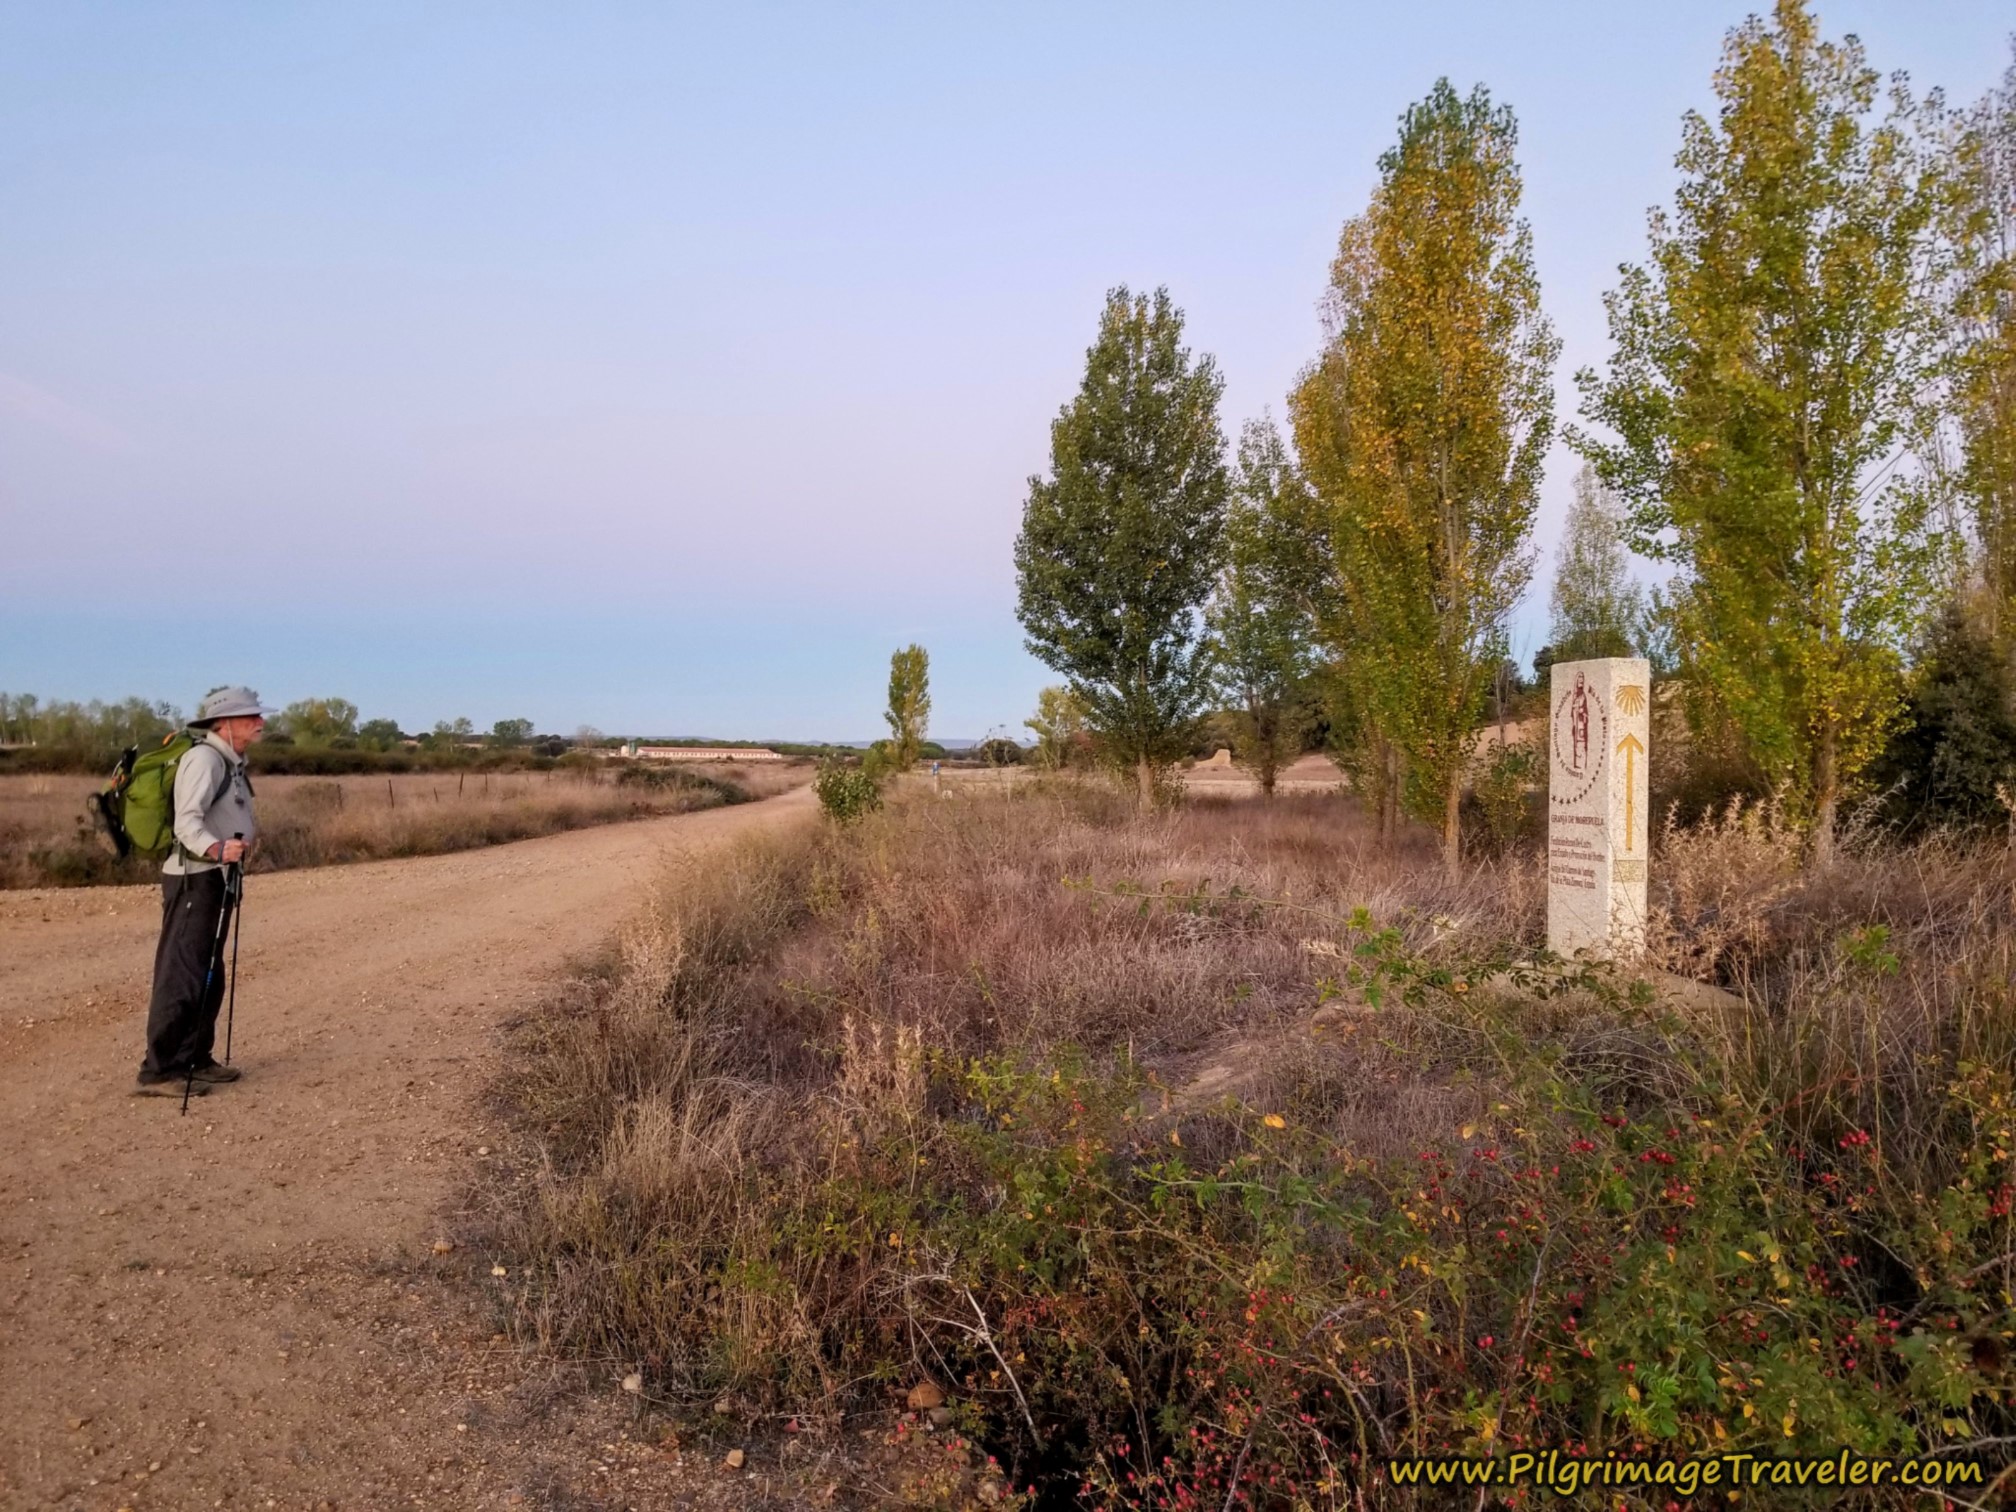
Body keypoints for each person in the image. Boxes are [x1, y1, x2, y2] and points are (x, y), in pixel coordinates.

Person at [134, 686, 272, 1097]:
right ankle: (160, 1071)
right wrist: (215, 848)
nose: (260, 722)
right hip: (195, 877)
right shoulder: (204, 760)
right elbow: (186, 823)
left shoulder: (231, 762)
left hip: (217, 877)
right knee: (184, 970)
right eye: (250, 717)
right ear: (224, 724)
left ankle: (195, 1058)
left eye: (258, 715)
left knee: (208, 969)